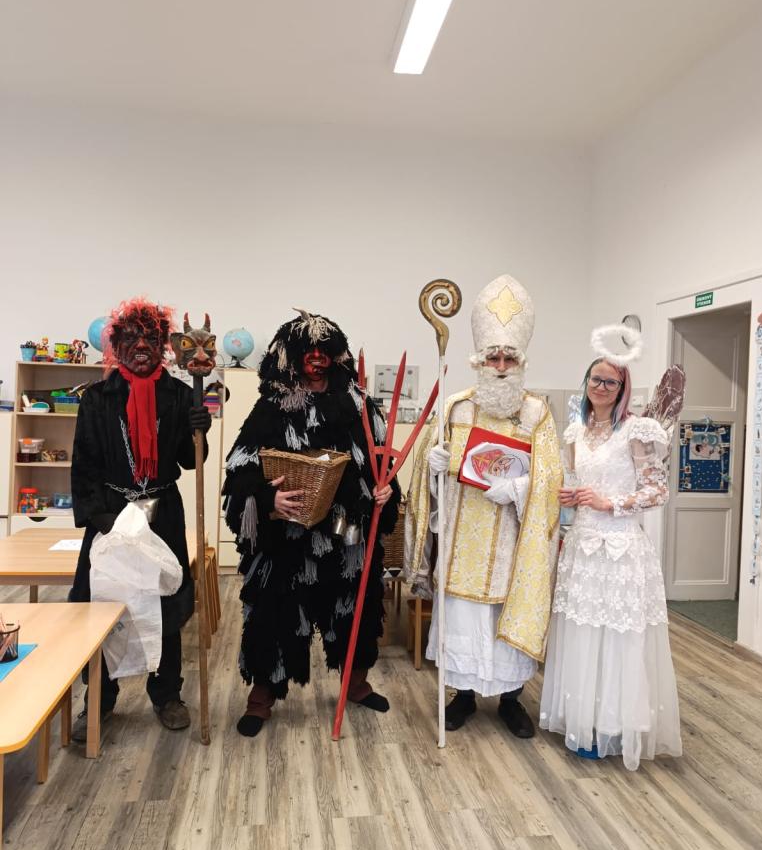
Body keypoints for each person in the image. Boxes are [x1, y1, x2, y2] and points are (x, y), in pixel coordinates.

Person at [222, 309, 400, 737]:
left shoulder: (360, 406)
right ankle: (261, 697)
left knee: (355, 610)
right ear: (291, 357)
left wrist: (386, 491)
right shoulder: (272, 408)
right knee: (273, 613)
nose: (317, 358)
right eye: (308, 350)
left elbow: (382, 461)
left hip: (347, 534)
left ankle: (356, 683)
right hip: (288, 536)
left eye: (325, 350)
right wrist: (268, 498)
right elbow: (239, 470)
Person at [405, 275, 562, 737]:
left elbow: (551, 477)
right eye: (493, 357)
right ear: (478, 360)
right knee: (465, 621)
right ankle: (464, 697)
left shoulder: (537, 412)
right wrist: (432, 466)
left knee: (502, 619)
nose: (500, 365)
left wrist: (517, 489)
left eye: (509, 358)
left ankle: (511, 701)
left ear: (521, 362)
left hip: (513, 538)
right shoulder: (456, 407)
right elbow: (426, 474)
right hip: (462, 538)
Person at [539, 328, 682, 770]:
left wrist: (611, 503)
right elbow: (577, 482)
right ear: (586, 383)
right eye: (596, 379)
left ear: (623, 389)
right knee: (583, 632)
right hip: (582, 547)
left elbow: (657, 492)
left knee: (617, 635)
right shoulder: (575, 431)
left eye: (611, 382)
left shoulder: (636, 431)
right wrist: (571, 495)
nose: (601, 387)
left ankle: (615, 726)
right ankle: (583, 722)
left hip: (621, 548)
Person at [69, 297, 211, 740]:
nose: (142, 346)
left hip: (162, 512)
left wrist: (199, 429)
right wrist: (102, 519)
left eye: (150, 337)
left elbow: (190, 461)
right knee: (103, 606)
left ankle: (167, 695)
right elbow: (84, 464)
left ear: (164, 344)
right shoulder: (98, 399)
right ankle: (100, 699)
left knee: (165, 603)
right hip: (112, 515)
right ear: (116, 345)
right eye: (131, 338)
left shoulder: (180, 395)